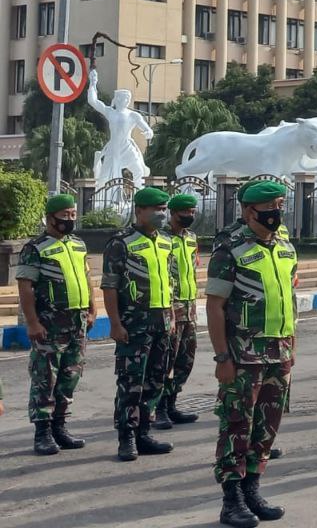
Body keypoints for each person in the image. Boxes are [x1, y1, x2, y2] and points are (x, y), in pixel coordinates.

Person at [206, 180, 296, 528]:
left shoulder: (285, 247)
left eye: (280, 205)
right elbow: (215, 307)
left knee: (267, 427)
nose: (277, 212)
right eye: (271, 206)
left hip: (279, 352)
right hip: (243, 356)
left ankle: (253, 488)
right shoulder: (230, 250)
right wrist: (221, 358)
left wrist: (292, 345)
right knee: (236, 425)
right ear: (248, 211)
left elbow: (287, 300)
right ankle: (232, 499)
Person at [101, 186, 177, 462]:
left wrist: (173, 319)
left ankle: (144, 431)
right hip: (134, 325)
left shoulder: (167, 242)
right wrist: (115, 323)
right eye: (156, 209)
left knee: (156, 381)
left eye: (163, 209)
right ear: (140, 211)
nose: (161, 214)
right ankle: (127, 437)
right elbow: (110, 287)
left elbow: (171, 283)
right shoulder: (121, 243)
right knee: (131, 383)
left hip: (162, 322)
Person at [17, 192, 94, 456]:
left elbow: (86, 278)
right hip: (50, 323)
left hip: (77, 320)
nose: (70, 220)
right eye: (65, 216)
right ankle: (43, 432)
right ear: (50, 218)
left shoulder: (78, 244)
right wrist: (32, 322)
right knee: (45, 377)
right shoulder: (35, 248)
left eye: (73, 215)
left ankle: (60, 426)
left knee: (70, 375)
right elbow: (25, 288)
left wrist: (92, 309)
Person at [155, 193, 201, 428]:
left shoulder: (191, 238)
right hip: (170, 310)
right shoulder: (161, 239)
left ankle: (172, 402)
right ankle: (159, 408)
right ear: (172, 214)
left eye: (192, 212)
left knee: (185, 360)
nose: (189, 216)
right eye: (185, 213)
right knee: (165, 361)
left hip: (189, 308)